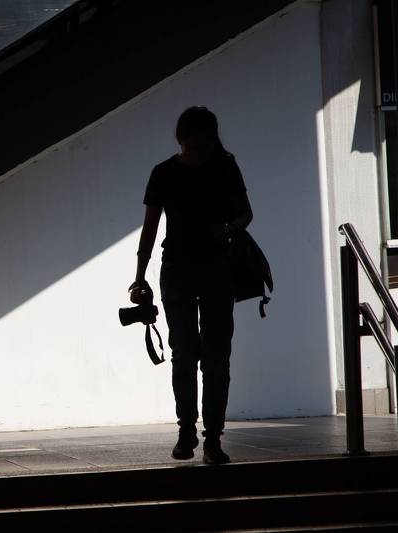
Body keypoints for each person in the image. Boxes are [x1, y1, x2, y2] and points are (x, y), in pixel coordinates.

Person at [129, 106, 253, 464]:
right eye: (195, 146)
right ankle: (196, 434)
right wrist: (139, 276)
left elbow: (244, 213)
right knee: (196, 353)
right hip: (193, 269)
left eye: (204, 145)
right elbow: (150, 229)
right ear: (182, 140)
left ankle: (203, 436)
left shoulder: (215, 167)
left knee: (202, 354)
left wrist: (140, 276)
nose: (199, 153)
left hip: (198, 269)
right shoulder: (180, 171)